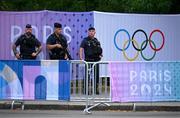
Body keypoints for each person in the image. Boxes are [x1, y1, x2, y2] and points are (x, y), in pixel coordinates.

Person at [79, 27, 103, 94]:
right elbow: (81, 48)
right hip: (88, 61)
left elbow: (100, 49)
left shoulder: (96, 40)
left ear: (95, 32)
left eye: (93, 31)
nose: (91, 32)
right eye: (90, 31)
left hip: (96, 61)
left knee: (96, 76)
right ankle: (86, 90)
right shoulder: (85, 40)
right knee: (87, 76)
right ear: (88, 32)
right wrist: (81, 57)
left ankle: (96, 90)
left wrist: (101, 54)